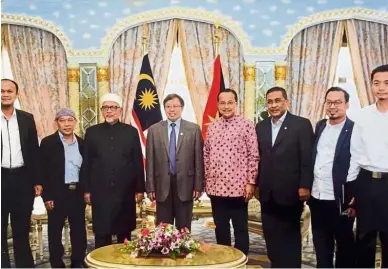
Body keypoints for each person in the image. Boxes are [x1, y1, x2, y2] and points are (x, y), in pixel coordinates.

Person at [255, 86, 314, 267]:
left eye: (277, 101)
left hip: (291, 192)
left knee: (289, 237)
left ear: (286, 102)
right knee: (270, 236)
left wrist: (305, 185)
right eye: (270, 102)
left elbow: (307, 158)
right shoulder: (261, 126)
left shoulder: (301, 124)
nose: (274, 105)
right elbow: (257, 157)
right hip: (266, 193)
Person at [82, 93, 145, 249]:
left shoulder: (130, 132)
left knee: (125, 233)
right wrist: (86, 190)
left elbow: (137, 161)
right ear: (102, 111)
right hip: (100, 190)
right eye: (105, 108)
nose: (109, 111)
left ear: (120, 111)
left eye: (113, 107)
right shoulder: (92, 132)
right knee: (102, 233)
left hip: (125, 190)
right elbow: (87, 163)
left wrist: (139, 189)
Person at [204, 88, 259, 255]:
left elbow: (254, 155)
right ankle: (225, 259)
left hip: (239, 189)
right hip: (216, 188)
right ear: (218, 105)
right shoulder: (213, 127)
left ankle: (241, 260)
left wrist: (251, 182)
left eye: (230, 102)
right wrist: (207, 180)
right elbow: (206, 155)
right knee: (220, 227)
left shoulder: (247, 125)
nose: (226, 106)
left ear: (236, 104)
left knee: (240, 228)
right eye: (222, 103)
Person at [309, 87, 355, 268]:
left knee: (344, 247)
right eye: (329, 102)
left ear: (346, 104)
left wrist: (354, 198)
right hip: (317, 197)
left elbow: (358, 164)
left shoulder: (354, 129)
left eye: (337, 102)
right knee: (321, 246)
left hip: (341, 200)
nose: (332, 106)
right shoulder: (320, 125)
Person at [347, 64, 388, 268]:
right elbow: (355, 154)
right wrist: (351, 188)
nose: (381, 88)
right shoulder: (362, 115)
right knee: (364, 238)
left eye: (387, 83)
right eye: (376, 83)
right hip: (367, 182)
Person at [146, 94, 204, 231]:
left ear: (182, 108)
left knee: (184, 228)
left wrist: (199, 185)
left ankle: (183, 252)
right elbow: (150, 161)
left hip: (186, 185)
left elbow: (199, 160)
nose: (172, 109)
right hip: (162, 186)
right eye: (168, 106)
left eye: (175, 106)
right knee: (163, 229)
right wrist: (150, 187)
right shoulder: (154, 130)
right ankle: (164, 251)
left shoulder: (193, 129)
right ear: (164, 108)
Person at [1, 79, 42, 268]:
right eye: (1, 91)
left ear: (16, 95)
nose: (5, 94)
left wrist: (37, 180)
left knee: (21, 229)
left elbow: (34, 151)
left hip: (22, 180)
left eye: (9, 91)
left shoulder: (27, 118)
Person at [40, 108, 86, 268]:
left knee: (79, 230)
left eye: (70, 120)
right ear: (56, 123)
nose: (66, 124)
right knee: (54, 232)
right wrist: (47, 197)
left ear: (75, 122)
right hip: (56, 194)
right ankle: (56, 263)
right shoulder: (47, 143)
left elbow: (86, 170)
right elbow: (43, 172)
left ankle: (78, 261)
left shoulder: (82, 143)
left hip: (77, 193)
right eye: (62, 120)